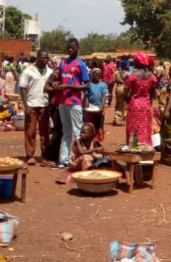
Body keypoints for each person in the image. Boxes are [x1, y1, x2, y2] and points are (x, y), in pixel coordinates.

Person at [52, 38, 90, 169]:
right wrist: (57, 83)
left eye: (73, 48)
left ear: (78, 48)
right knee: (66, 131)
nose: (70, 50)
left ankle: (82, 159)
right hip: (63, 102)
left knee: (78, 131)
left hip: (75, 102)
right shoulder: (63, 62)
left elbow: (86, 85)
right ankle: (63, 160)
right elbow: (60, 78)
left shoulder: (80, 64)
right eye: (68, 47)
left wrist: (69, 86)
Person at [19, 49, 52, 165]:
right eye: (43, 57)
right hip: (32, 105)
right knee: (30, 131)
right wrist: (26, 105)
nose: (45, 60)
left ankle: (44, 156)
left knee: (45, 133)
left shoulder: (49, 72)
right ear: (37, 57)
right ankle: (29, 155)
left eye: (47, 58)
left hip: (44, 105)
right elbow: (22, 88)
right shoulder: (28, 71)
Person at [124, 52, 158, 147]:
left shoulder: (132, 76)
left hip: (134, 106)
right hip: (146, 106)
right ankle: (144, 152)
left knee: (133, 129)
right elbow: (152, 94)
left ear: (138, 62)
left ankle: (133, 149)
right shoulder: (152, 77)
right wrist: (145, 100)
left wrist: (130, 102)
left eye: (134, 60)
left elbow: (124, 94)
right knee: (145, 129)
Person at [85, 68, 109, 142]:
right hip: (91, 108)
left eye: (98, 74)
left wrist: (101, 107)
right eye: (95, 74)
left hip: (100, 109)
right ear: (91, 75)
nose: (97, 76)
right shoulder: (89, 85)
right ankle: (91, 141)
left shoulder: (103, 85)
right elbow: (87, 96)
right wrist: (86, 106)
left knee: (99, 127)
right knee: (91, 126)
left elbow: (104, 96)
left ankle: (98, 142)